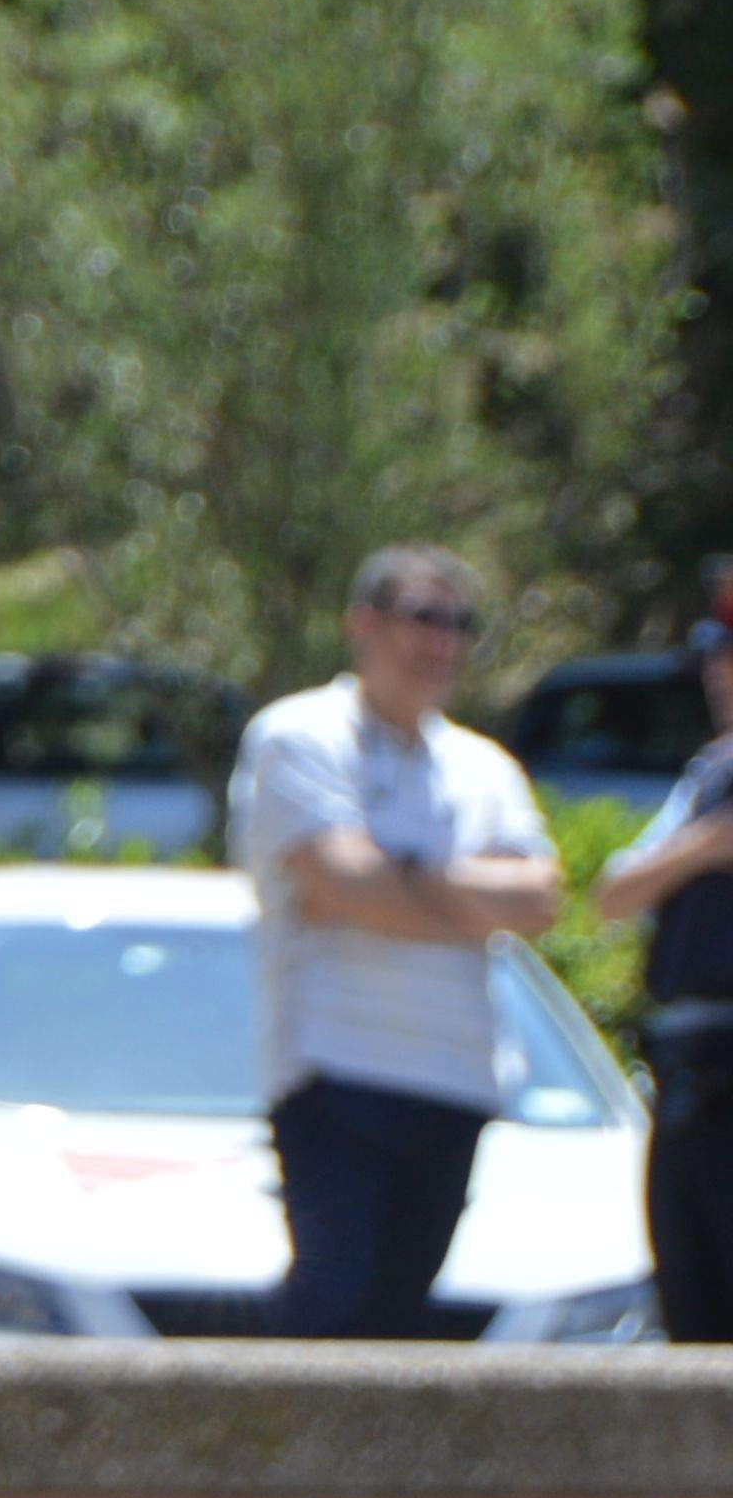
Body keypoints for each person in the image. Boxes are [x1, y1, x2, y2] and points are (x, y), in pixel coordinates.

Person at [229, 546, 561, 1336]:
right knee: (330, 1304)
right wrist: (467, 901)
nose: (442, 641)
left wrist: (397, 879)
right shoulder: (300, 734)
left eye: (460, 623)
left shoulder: (484, 766)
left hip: (456, 1078)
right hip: (338, 1069)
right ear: (363, 625)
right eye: (423, 617)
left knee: (399, 1327)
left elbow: (540, 899)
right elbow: (344, 881)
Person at [586, 606, 733, 1341]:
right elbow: (611, 896)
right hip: (689, 1072)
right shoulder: (708, 775)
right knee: (691, 1306)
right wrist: (707, 844)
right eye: (714, 650)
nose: (719, 669)